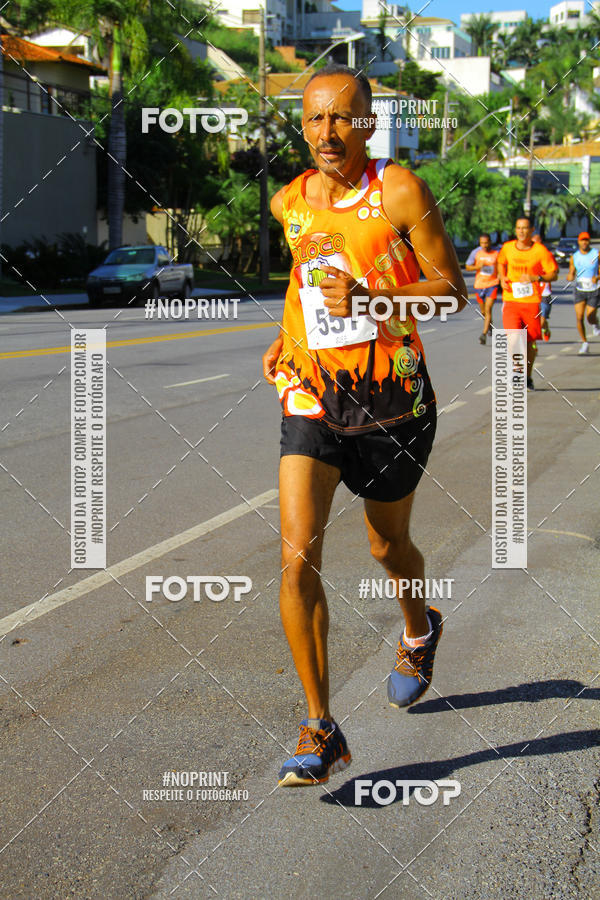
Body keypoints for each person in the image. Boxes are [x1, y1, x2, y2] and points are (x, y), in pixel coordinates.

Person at [262, 64, 467, 787]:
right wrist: (289, 342)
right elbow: (305, 280)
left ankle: (419, 627)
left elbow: (451, 295)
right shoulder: (290, 200)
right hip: (315, 396)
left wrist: (374, 296)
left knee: (388, 544)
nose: (327, 132)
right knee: (295, 559)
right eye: (315, 119)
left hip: (392, 402)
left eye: (342, 118)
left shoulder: (399, 190)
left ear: (369, 124)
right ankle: (322, 728)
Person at [497, 216, 558, 391]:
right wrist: (502, 277)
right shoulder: (508, 248)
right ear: (515, 230)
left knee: (531, 343)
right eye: (518, 228)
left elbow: (553, 273)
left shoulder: (540, 251)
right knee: (513, 337)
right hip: (511, 301)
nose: (521, 231)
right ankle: (517, 370)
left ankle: (528, 376)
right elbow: (501, 263)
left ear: (532, 230)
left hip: (531, 302)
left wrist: (535, 277)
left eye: (525, 228)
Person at [566, 231, 600, 354]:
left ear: (589, 241)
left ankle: (596, 323)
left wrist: (598, 277)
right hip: (580, 289)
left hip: (594, 289)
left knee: (590, 317)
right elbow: (571, 273)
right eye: (582, 240)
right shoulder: (574, 256)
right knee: (579, 317)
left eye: (586, 240)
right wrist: (570, 276)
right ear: (579, 242)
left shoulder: (596, 254)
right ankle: (584, 342)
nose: (584, 242)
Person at [465, 233, 499, 344]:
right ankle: (489, 325)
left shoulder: (497, 252)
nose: (484, 245)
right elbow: (467, 266)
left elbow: (503, 265)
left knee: (488, 309)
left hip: (492, 284)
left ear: (490, 242)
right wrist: (477, 267)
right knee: (483, 312)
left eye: (486, 243)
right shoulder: (476, 252)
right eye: (482, 243)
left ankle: (483, 334)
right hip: (479, 285)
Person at [532, 234, 554, 341]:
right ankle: (533, 344)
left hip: (545, 294)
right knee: (533, 322)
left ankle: (545, 329)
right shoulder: (528, 257)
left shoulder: (547, 255)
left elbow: (554, 273)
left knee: (540, 322)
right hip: (532, 294)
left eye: (537, 243)